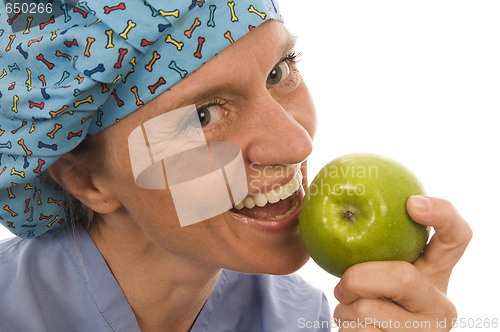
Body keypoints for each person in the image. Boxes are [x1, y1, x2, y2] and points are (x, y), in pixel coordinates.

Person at [0, 0, 472, 331]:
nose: (295, 142)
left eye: (279, 72)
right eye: (203, 115)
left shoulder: (306, 320)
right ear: (87, 180)